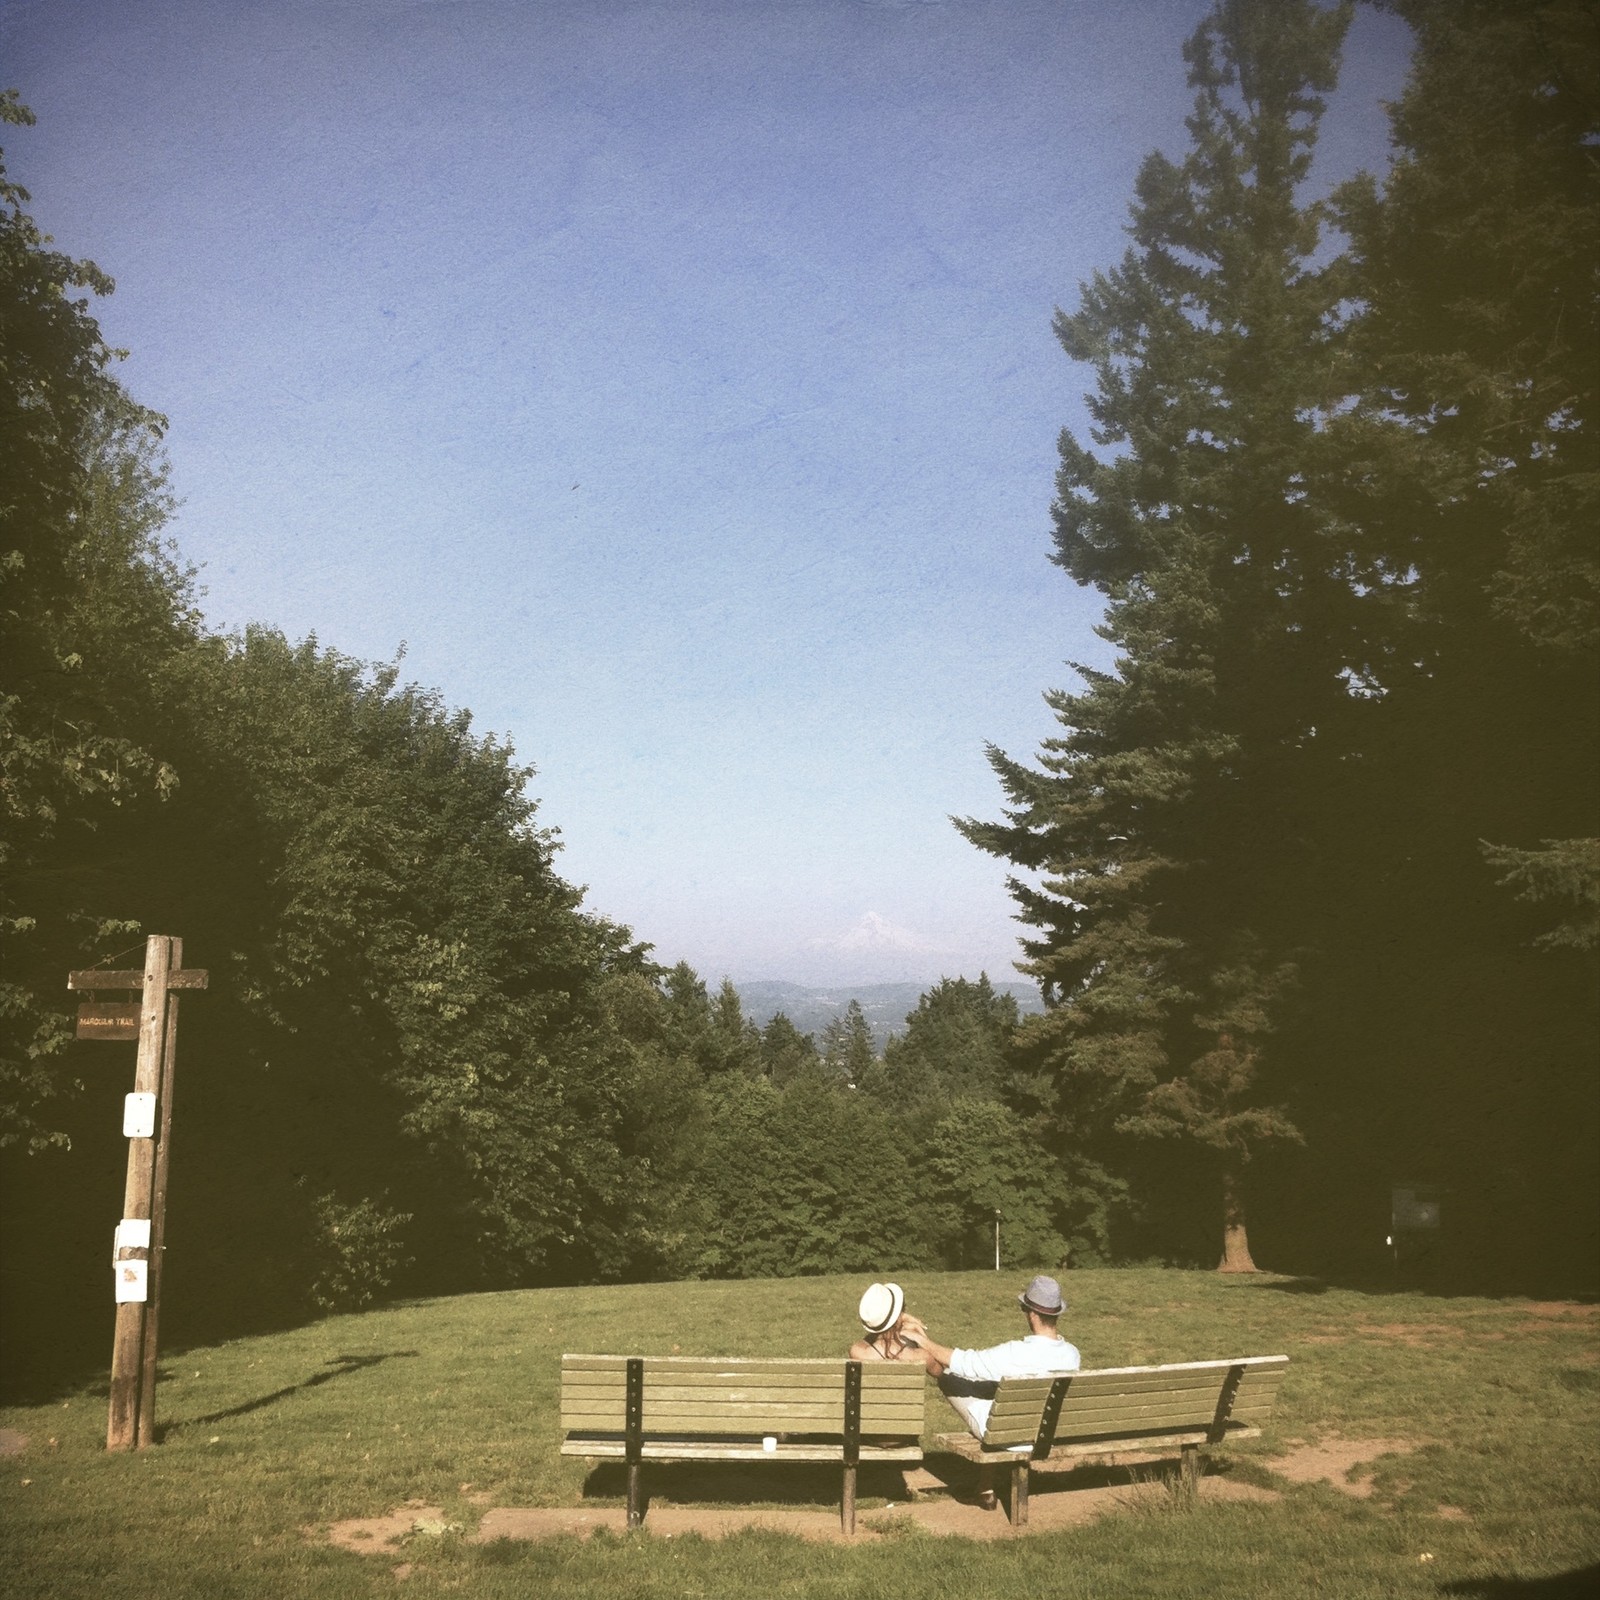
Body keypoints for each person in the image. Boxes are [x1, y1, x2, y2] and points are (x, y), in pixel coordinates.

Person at [900, 1273, 1080, 1440]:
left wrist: (922, 1340)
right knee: (989, 1385)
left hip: (1005, 1435)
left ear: (1032, 1314)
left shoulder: (1014, 1353)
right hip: (1048, 1435)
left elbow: (965, 1363)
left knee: (947, 1376)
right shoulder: (1072, 1355)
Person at [849, 1281, 943, 1374]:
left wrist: (894, 1321)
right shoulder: (921, 1357)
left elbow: (867, 1340)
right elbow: (942, 1373)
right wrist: (921, 1339)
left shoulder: (857, 1353)